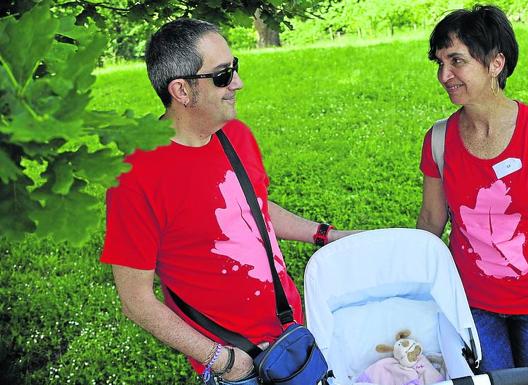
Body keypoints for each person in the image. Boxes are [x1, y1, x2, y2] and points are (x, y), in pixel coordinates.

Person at [100, 18, 356, 384]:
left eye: (234, 68)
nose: (238, 83)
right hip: (234, 363)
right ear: (182, 91)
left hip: (291, 331)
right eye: (222, 75)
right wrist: (221, 359)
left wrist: (327, 235)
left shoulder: (235, 134)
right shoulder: (134, 174)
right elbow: (136, 300)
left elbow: (255, 211)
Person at [416, 5, 528, 372]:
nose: (445, 75)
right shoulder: (439, 140)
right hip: (473, 303)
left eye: (457, 61)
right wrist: (416, 288)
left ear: (495, 63)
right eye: (440, 63)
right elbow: (431, 220)